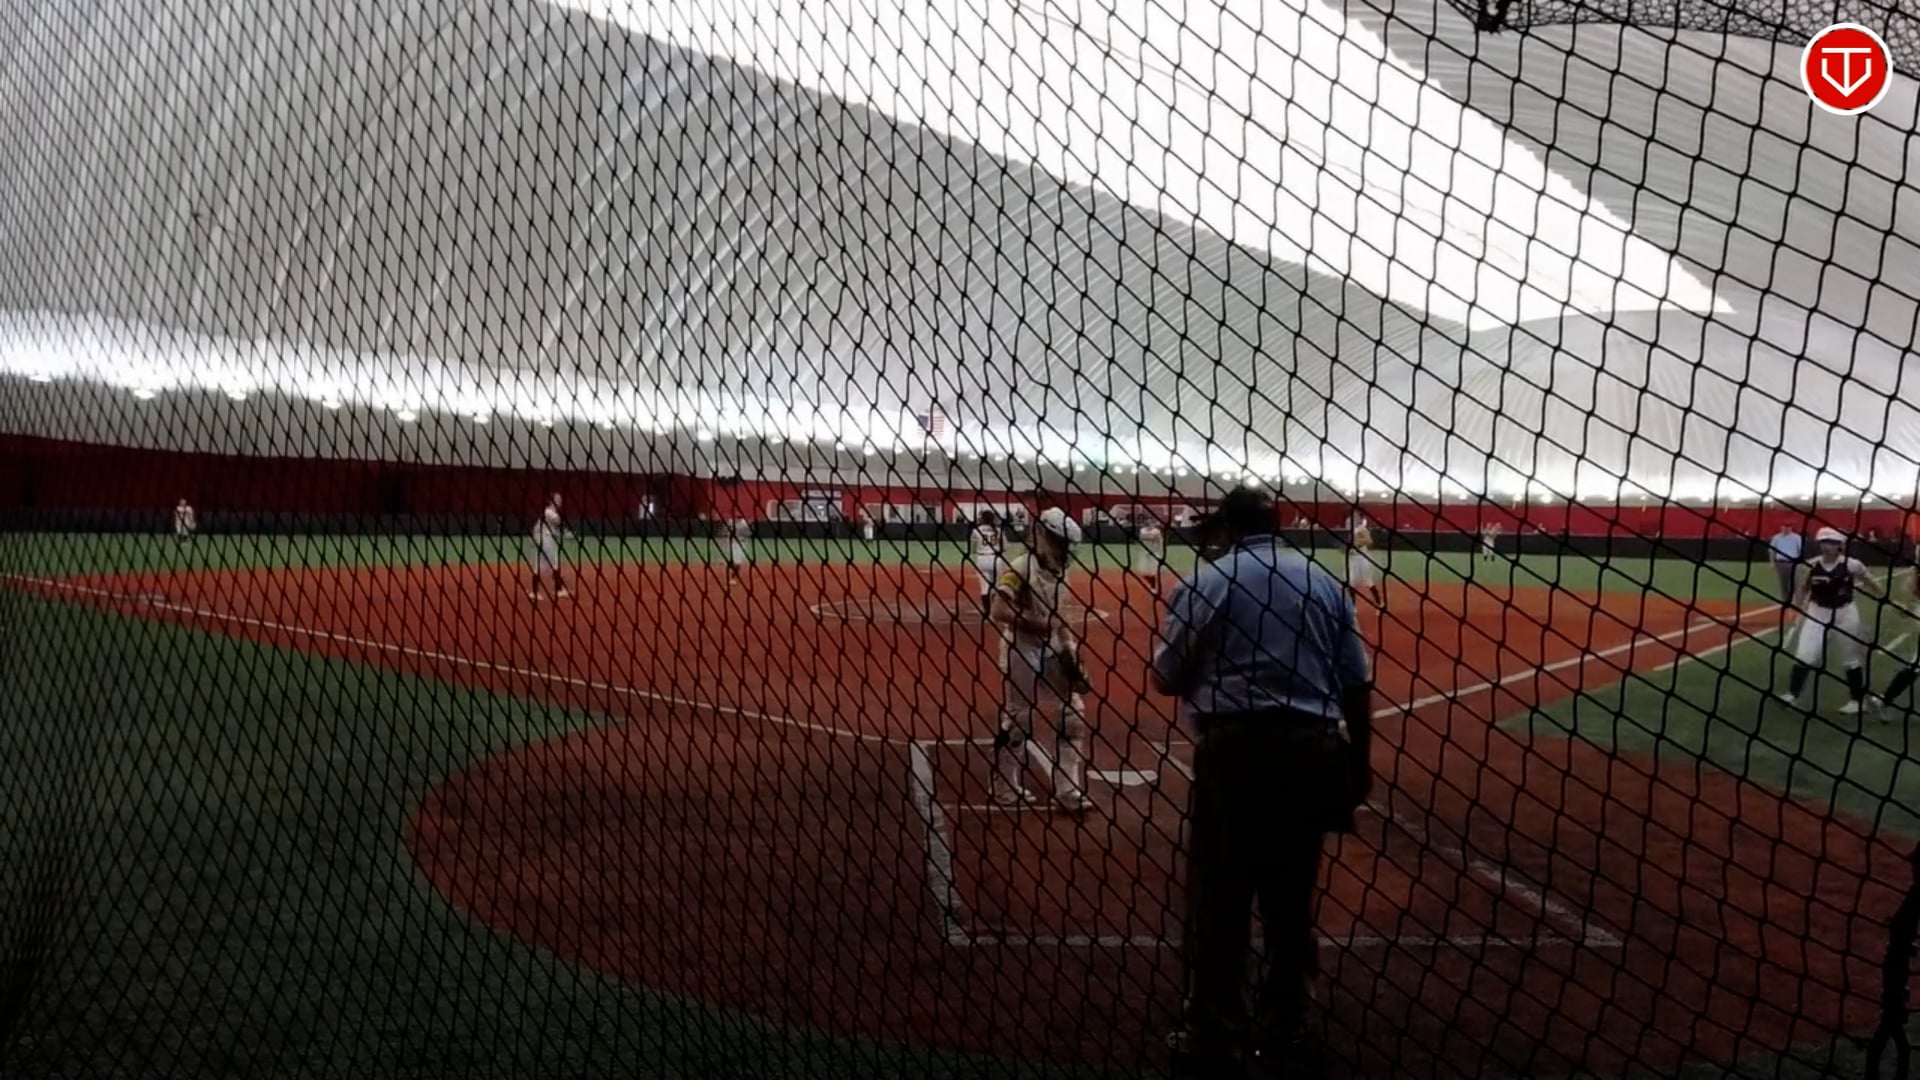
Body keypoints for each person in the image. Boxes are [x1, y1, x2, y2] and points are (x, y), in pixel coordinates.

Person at [1152, 487, 1374, 1079]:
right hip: (1310, 749)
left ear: (1228, 528)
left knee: (1219, 894)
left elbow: (1166, 676)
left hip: (1234, 751)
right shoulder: (1323, 583)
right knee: (1290, 897)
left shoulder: (1208, 582)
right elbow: (1356, 680)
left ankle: (1213, 1030)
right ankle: (1285, 1028)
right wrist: (1359, 765)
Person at [989, 507, 1092, 815]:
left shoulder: (1060, 571)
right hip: (1021, 646)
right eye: (1060, 542)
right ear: (1044, 536)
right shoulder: (1021, 567)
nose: (1065, 550)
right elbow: (998, 610)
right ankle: (1004, 786)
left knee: (1072, 714)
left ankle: (1068, 790)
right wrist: (1036, 624)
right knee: (1019, 718)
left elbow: (1060, 616)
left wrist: (1070, 648)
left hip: (1051, 645)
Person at [1781, 526, 1883, 714]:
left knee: (1850, 658)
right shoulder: (1812, 566)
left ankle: (1857, 701)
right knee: (1805, 654)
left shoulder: (1852, 565)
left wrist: (1883, 597)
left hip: (1845, 614)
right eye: (1824, 542)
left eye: (1832, 542)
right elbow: (1803, 589)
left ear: (1840, 545)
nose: (1828, 546)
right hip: (1817, 612)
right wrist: (1794, 606)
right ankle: (1792, 695)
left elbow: (1869, 581)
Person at [530, 494, 570, 600]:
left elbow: (542, 530)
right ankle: (558, 590)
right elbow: (557, 523)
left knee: (538, 566)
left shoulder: (547, 513)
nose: (560, 501)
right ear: (552, 501)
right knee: (555, 565)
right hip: (546, 541)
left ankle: (534, 592)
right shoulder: (549, 513)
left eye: (560, 499)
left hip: (541, 541)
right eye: (557, 499)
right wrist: (565, 534)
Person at [970, 510, 1005, 608]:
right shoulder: (998, 530)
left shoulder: (976, 531)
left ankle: (987, 611)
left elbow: (973, 549)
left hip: (982, 559)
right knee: (997, 586)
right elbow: (1005, 547)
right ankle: (995, 609)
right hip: (996, 559)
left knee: (984, 588)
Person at [1349, 518, 1386, 610]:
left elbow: (1370, 542)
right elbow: (1352, 545)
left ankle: (1380, 603)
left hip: (1363, 559)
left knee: (1368, 581)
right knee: (1351, 582)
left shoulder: (1362, 529)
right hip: (1354, 560)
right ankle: (1353, 607)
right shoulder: (1353, 530)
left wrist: (1359, 542)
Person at [1768, 524, 1802, 604]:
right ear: (1781, 527)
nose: (1786, 529)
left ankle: (1796, 601)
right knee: (1783, 583)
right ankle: (1785, 601)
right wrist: (1772, 562)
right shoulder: (1776, 538)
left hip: (1793, 563)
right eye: (1785, 527)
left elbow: (1800, 550)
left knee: (1795, 583)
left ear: (1791, 528)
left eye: (1788, 527)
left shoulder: (1797, 537)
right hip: (1781, 563)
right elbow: (1772, 550)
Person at [723, 516, 751, 588]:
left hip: (741, 544)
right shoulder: (732, 522)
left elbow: (748, 534)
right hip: (734, 544)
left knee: (739, 563)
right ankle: (732, 578)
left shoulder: (743, 523)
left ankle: (729, 565)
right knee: (737, 562)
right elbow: (725, 531)